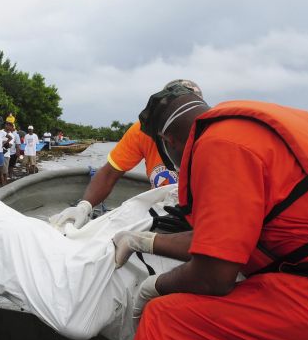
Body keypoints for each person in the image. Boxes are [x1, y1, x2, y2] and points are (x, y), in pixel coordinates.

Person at [113, 86, 308, 340]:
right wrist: (145, 241)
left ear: (169, 141)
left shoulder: (218, 145)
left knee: (166, 325)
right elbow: (229, 239)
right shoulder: (282, 127)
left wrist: (156, 286)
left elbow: (215, 275)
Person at [51, 79, 204, 231]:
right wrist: (84, 207)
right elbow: (109, 173)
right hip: (162, 210)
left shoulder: (210, 139)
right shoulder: (144, 132)